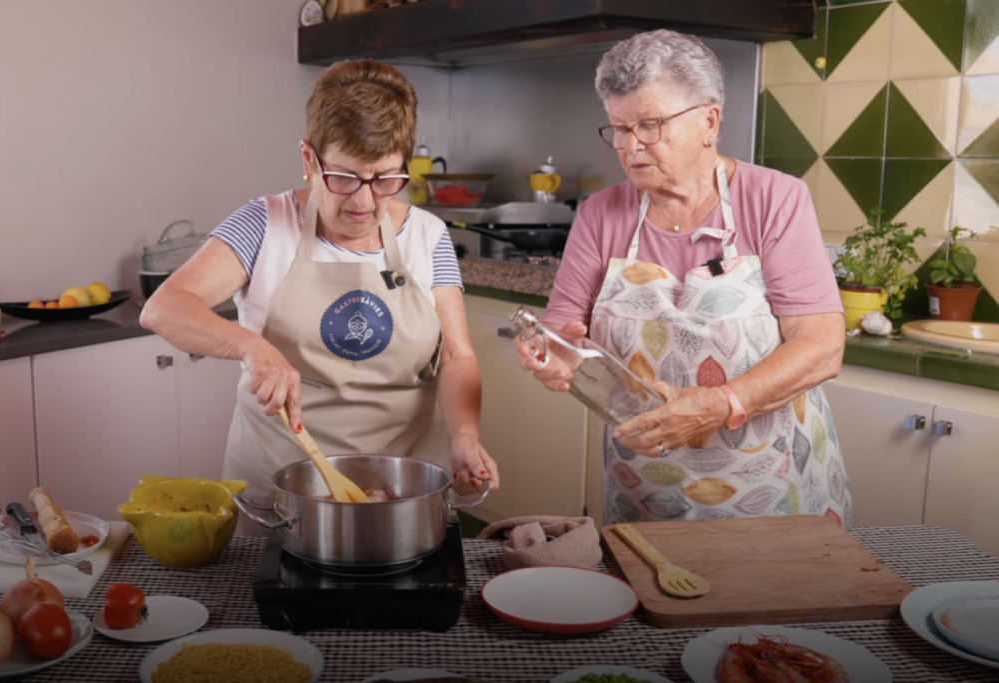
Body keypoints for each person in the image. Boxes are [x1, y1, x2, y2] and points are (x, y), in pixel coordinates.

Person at [141, 60, 498, 530]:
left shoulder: (428, 236)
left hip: (402, 487)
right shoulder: (264, 224)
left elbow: (455, 355)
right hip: (281, 487)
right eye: (345, 178)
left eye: (386, 179)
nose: (365, 202)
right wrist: (252, 347)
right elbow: (164, 307)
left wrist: (465, 435)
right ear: (309, 160)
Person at [518, 30, 851, 526]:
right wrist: (553, 356)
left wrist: (719, 404)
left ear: (709, 121)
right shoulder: (600, 214)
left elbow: (822, 345)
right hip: (644, 488)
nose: (630, 146)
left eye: (649, 126)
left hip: (773, 488)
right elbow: (566, 328)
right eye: (618, 129)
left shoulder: (775, 199)